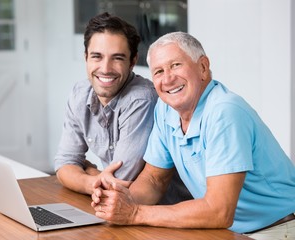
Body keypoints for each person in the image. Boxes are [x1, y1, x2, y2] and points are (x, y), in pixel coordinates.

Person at [91, 32, 295, 239]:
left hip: (275, 229)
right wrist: (120, 201)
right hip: (227, 230)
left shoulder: (225, 112)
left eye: (176, 65)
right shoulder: (165, 109)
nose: (168, 79)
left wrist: (134, 213)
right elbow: (154, 179)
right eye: (159, 71)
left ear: (203, 67)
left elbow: (219, 211)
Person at [54, 12, 192, 203]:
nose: (105, 68)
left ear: (133, 61)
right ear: (86, 57)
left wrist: (86, 170)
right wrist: (93, 180)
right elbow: (63, 164)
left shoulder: (141, 99)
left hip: (163, 212)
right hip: (119, 207)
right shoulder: (80, 94)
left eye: (117, 58)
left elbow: (119, 183)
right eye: (97, 56)